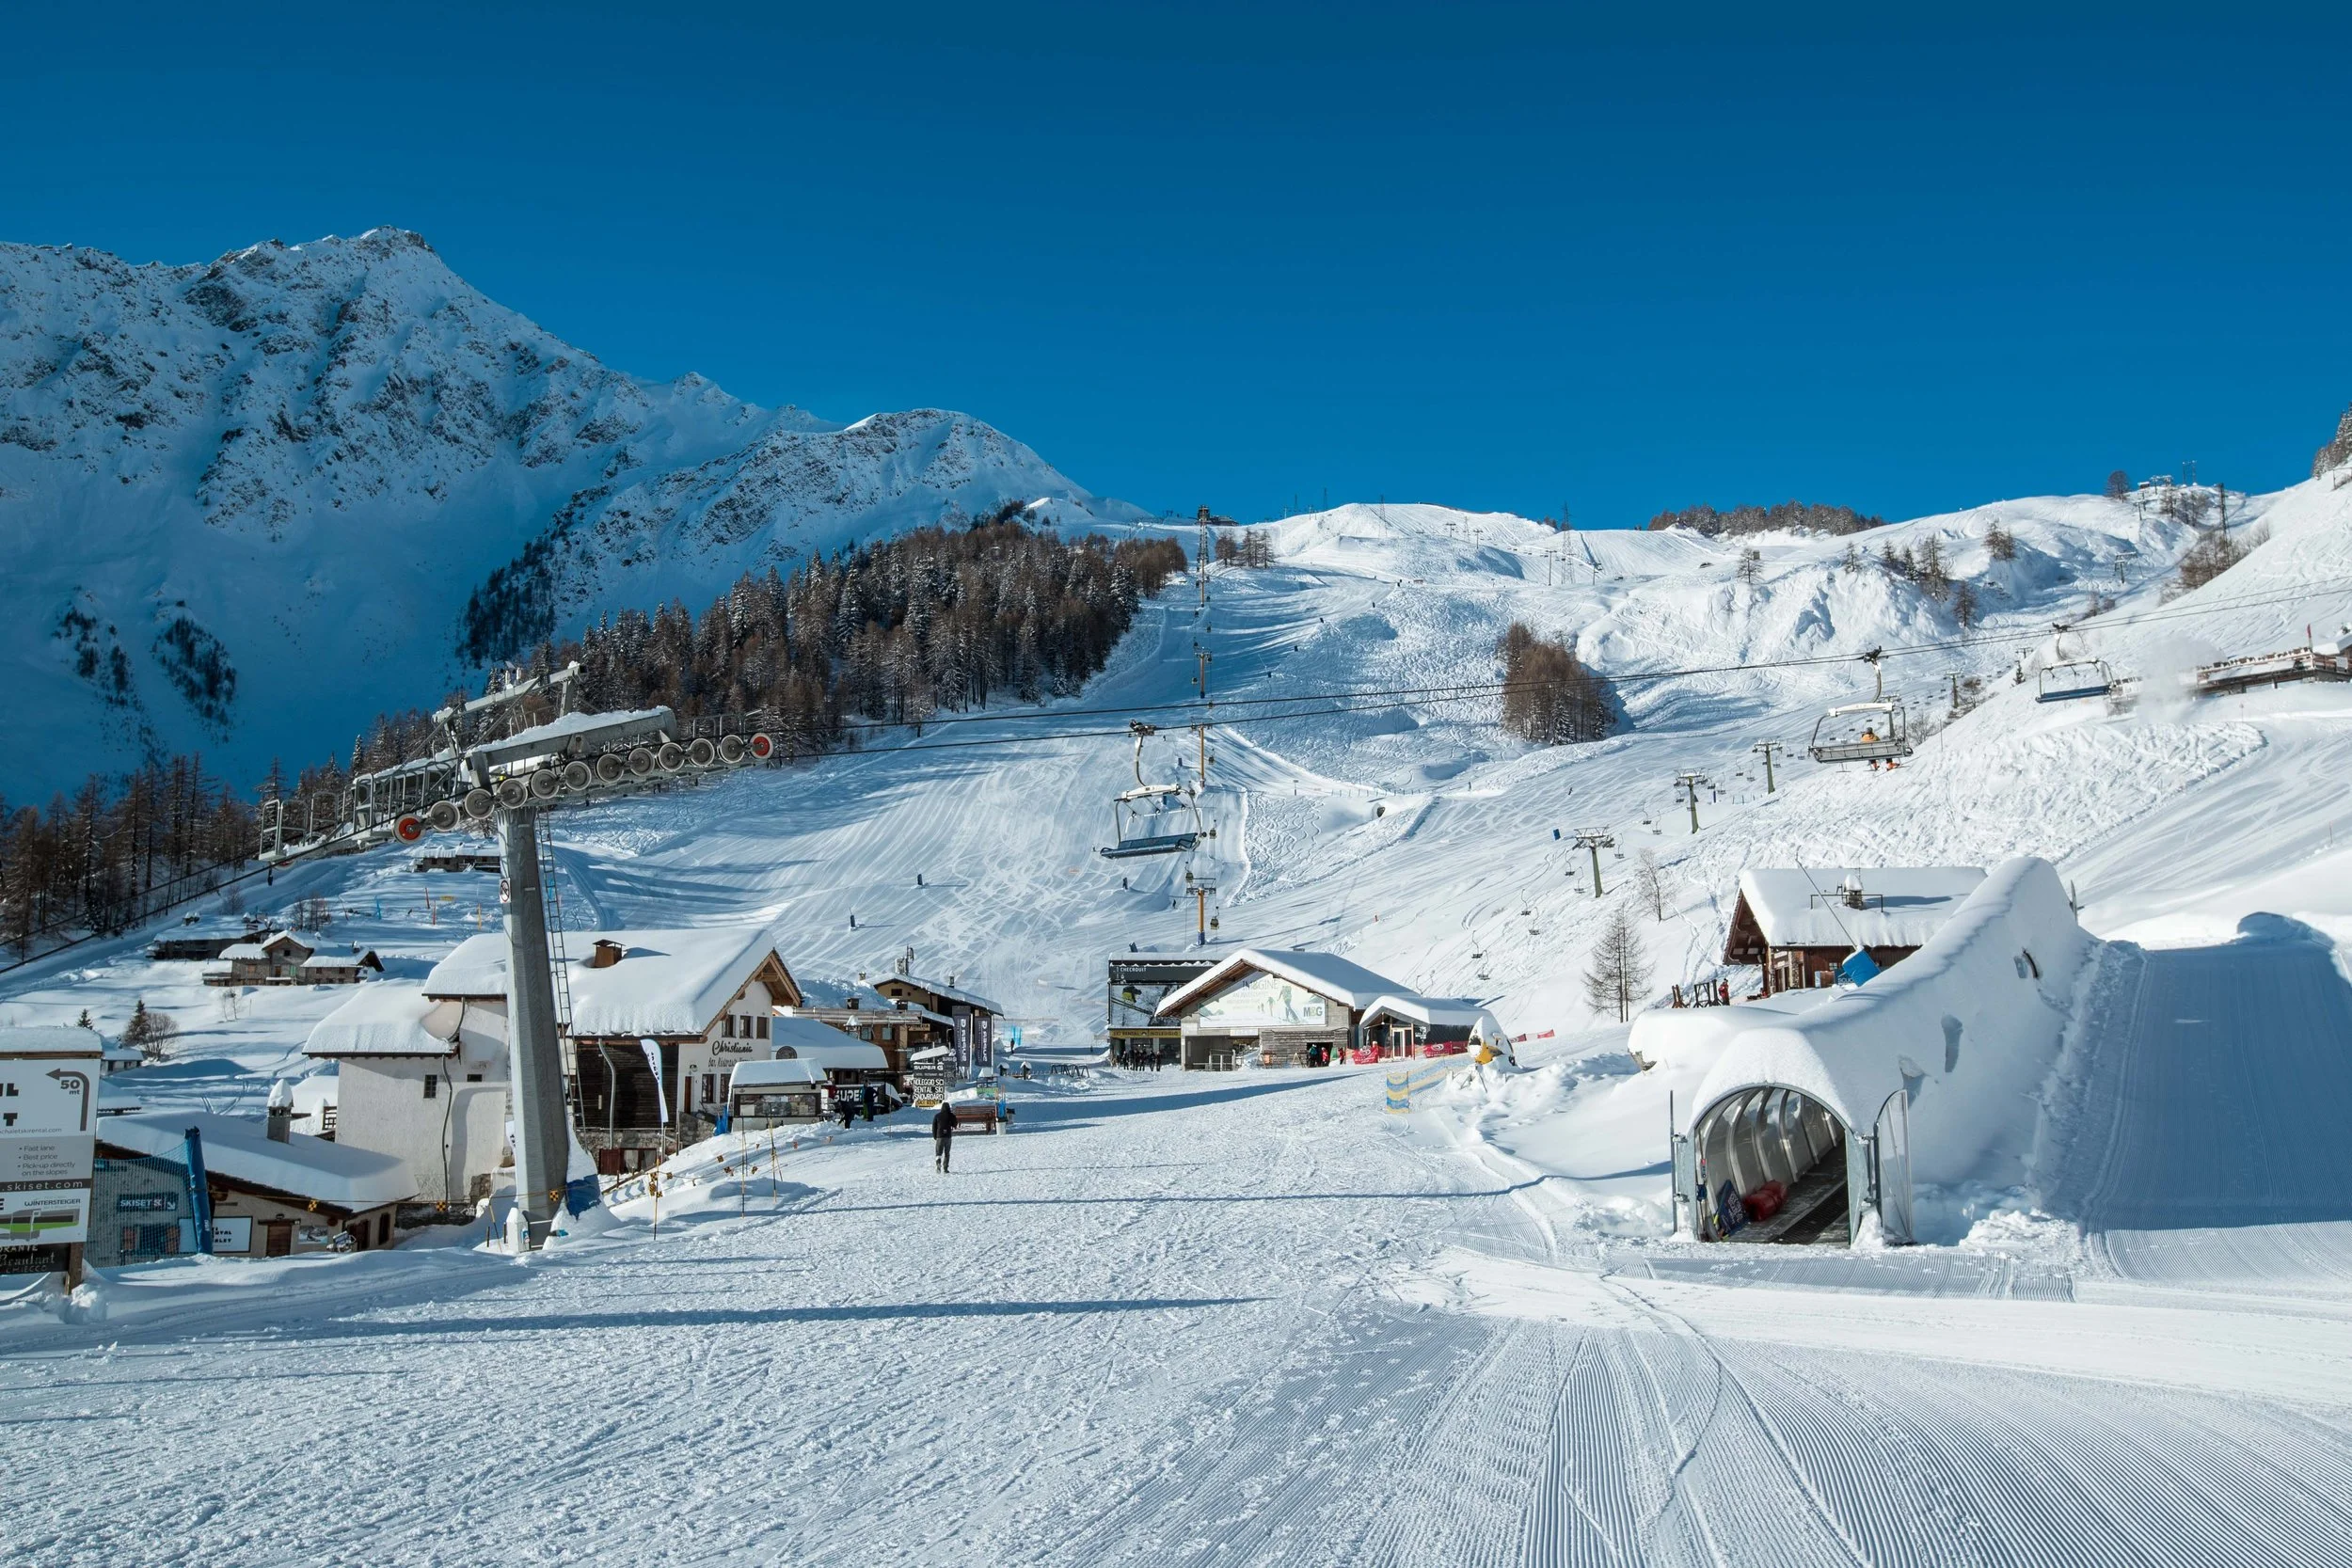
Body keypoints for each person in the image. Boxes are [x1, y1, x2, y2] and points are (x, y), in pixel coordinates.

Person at [931, 1099, 958, 1174]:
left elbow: (934, 1127)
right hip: (948, 1136)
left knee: (938, 1152)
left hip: (939, 1136)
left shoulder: (937, 1116)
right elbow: (955, 1124)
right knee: (947, 1153)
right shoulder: (951, 1115)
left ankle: (938, 1162)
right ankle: (945, 1168)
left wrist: (935, 1136)